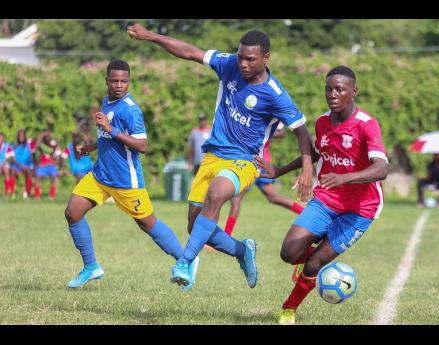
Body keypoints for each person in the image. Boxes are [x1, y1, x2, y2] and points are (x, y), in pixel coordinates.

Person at [127, 24, 314, 291]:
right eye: (240, 56)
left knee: (216, 194)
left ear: (266, 58)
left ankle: (185, 263)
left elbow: (303, 132)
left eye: (250, 59)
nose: (243, 63)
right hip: (213, 155)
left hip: (245, 161)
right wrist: (150, 36)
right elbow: (190, 52)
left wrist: (306, 168)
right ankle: (242, 251)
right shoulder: (228, 65)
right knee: (195, 226)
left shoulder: (276, 95)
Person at [257, 66, 388, 325]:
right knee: (289, 253)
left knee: (314, 264)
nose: (332, 94)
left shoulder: (367, 125)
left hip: (361, 209)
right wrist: (280, 170)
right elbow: (317, 153)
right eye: (328, 88)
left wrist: (344, 177)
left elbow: (381, 168)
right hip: (327, 200)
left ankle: (288, 309)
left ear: (353, 91)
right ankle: (319, 248)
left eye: (339, 89)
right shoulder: (323, 122)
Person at [63, 59, 196, 290]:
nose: (119, 85)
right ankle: (91, 267)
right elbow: (108, 138)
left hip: (126, 181)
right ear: (106, 81)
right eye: (114, 80)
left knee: (147, 223)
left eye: (124, 81)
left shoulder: (131, 110)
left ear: (129, 82)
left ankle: (186, 261)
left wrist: (110, 129)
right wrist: (91, 148)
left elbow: (142, 145)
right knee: (72, 213)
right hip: (100, 175)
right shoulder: (107, 102)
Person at [224, 123, 305, 236]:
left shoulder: (270, 111)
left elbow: (282, 133)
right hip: (256, 162)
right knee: (273, 197)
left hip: (255, 163)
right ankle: (306, 214)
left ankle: (225, 236)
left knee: (236, 199)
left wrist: (264, 133)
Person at [33, 129, 62, 200]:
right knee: (37, 179)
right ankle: (37, 196)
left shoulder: (54, 143)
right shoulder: (41, 143)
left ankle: (51, 197)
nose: (47, 138)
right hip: (42, 166)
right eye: (45, 136)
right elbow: (35, 147)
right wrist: (41, 135)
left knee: (53, 178)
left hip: (51, 166)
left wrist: (53, 163)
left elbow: (57, 159)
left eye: (48, 136)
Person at [11, 129, 35, 198]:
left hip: (27, 165)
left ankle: (27, 192)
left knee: (29, 171)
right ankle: (12, 192)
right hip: (16, 165)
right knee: (12, 170)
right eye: (20, 136)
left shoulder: (29, 145)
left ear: (25, 136)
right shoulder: (14, 145)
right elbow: (12, 158)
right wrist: (20, 165)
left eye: (22, 136)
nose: (21, 137)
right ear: (17, 137)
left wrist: (32, 165)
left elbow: (33, 154)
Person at [0, 132, 15, 197]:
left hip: (4, 164)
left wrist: (1, 165)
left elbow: (10, 157)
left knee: (6, 169)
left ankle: (8, 190)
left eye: (1, 138)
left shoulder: (7, 147)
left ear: (3, 139)